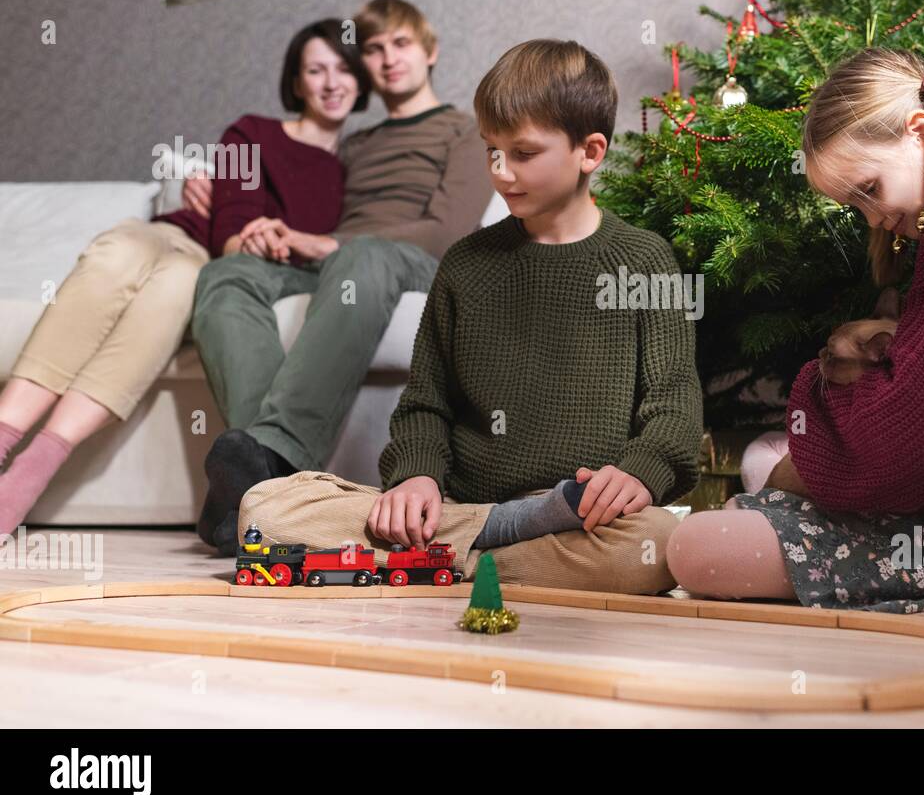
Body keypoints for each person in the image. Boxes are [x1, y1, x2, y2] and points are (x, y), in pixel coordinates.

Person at [232, 39, 702, 595]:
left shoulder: (644, 261)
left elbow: (674, 405)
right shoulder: (466, 263)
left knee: (651, 550)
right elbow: (425, 405)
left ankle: (448, 561)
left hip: (588, 517)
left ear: (590, 152)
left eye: (524, 153)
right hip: (463, 505)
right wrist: (417, 478)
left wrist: (640, 472)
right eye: (491, 151)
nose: (502, 172)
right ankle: (501, 536)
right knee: (266, 508)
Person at [667, 47, 924, 612]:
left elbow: (899, 450)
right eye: (853, 205)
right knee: (737, 520)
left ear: (922, 133)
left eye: (868, 188)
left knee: (701, 547)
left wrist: (826, 383)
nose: (871, 218)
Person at [0, 19, 366, 536]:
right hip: (181, 238)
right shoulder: (253, 131)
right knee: (116, 254)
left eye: (342, 68)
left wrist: (277, 244)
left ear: (359, 76)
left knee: (174, 291)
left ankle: (31, 470)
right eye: (315, 69)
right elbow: (236, 223)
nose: (331, 82)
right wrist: (251, 234)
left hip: (210, 267)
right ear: (297, 81)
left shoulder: (357, 168)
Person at [187, 0, 496, 555]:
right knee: (228, 273)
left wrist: (334, 244)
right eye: (374, 49)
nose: (387, 59)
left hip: (408, 263)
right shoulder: (356, 143)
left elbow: (446, 229)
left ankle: (271, 466)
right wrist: (211, 192)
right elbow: (296, 187)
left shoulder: (465, 130)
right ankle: (268, 480)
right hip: (338, 263)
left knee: (364, 255)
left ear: (430, 52)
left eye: (400, 44)